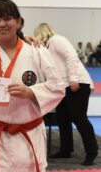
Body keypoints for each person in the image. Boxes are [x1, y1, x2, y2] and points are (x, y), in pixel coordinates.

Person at [0, 0, 65, 172]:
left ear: (18, 22)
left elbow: (58, 86)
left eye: (7, 18)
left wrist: (31, 92)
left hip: (27, 136)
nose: (2, 24)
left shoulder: (38, 52)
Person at [34, 23, 99, 166]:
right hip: (64, 86)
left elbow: (71, 56)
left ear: (42, 33)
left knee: (79, 117)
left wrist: (73, 78)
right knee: (62, 117)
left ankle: (92, 151)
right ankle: (66, 149)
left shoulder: (57, 40)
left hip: (77, 83)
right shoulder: (48, 46)